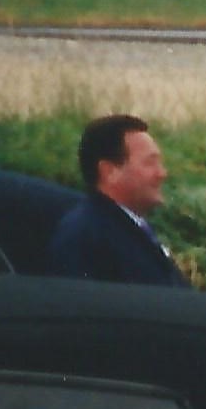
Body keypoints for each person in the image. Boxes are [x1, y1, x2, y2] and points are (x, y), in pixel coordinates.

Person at [44, 114, 186, 286]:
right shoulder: (84, 236)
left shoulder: (126, 227)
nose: (162, 173)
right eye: (150, 163)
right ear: (109, 172)